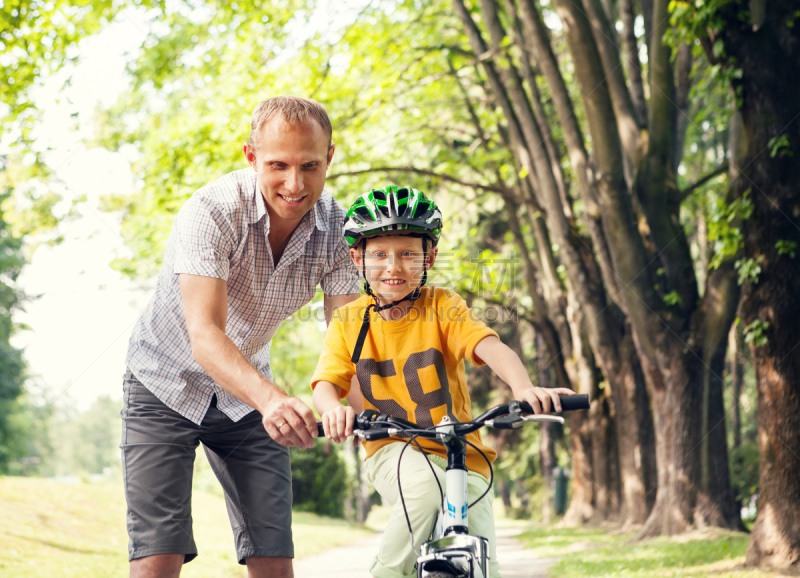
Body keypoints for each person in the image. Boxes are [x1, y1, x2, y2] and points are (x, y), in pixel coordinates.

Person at [121, 95, 360, 578]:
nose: (294, 184)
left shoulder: (339, 229)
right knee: (157, 556)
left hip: (245, 395)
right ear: (251, 157)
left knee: (272, 554)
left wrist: (382, 417)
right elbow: (204, 334)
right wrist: (273, 401)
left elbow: (347, 341)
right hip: (162, 383)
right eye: (278, 165)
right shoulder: (211, 211)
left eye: (310, 166)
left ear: (330, 157)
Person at [311, 185, 575, 578]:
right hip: (394, 449)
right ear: (357, 258)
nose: (393, 267)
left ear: (429, 257)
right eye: (380, 254)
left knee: (482, 559)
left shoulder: (443, 305)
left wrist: (523, 388)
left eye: (407, 255)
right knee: (423, 492)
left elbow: (488, 345)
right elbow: (326, 383)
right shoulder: (349, 321)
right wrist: (333, 410)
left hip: (464, 456)